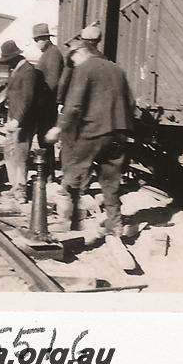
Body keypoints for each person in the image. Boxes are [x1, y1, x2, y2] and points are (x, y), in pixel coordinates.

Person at [45, 39, 134, 242]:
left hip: (94, 130)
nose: (73, 64)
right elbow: (130, 102)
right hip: (119, 132)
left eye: (72, 60)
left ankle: (72, 221)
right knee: (111, 182)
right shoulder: (117, 69)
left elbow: (74, 104)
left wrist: (59, 128)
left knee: (75, 171)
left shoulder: (84, 68)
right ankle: (115, 225)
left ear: (79, 53)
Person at [0, 39, 39, 204]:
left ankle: (21, 190)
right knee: (10, 152)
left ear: (14, 57)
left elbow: (27, 99)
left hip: (22, 120)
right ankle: (14, 187)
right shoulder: (18, 69)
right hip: (14, 118)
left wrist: (18, 120)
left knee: (20, 154)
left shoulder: (28, 71)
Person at [32, 23, 63, 181]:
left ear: (43, 39)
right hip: (45, 103)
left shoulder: (53, 54)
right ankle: (47, 172)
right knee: (43, 138)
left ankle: (48, 173)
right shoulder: (49, 53)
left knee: (45, 139)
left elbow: (52, 81)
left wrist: (40, 100)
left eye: (37, 40)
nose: (36, 43)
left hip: (47, 103)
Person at [56, 23, 104, 108]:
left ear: (82, 39)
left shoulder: (74, 55)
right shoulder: (103, 58)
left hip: (74, 101)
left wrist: (60, 101)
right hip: (93, 104)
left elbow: (64, 79)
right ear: (98, 40)